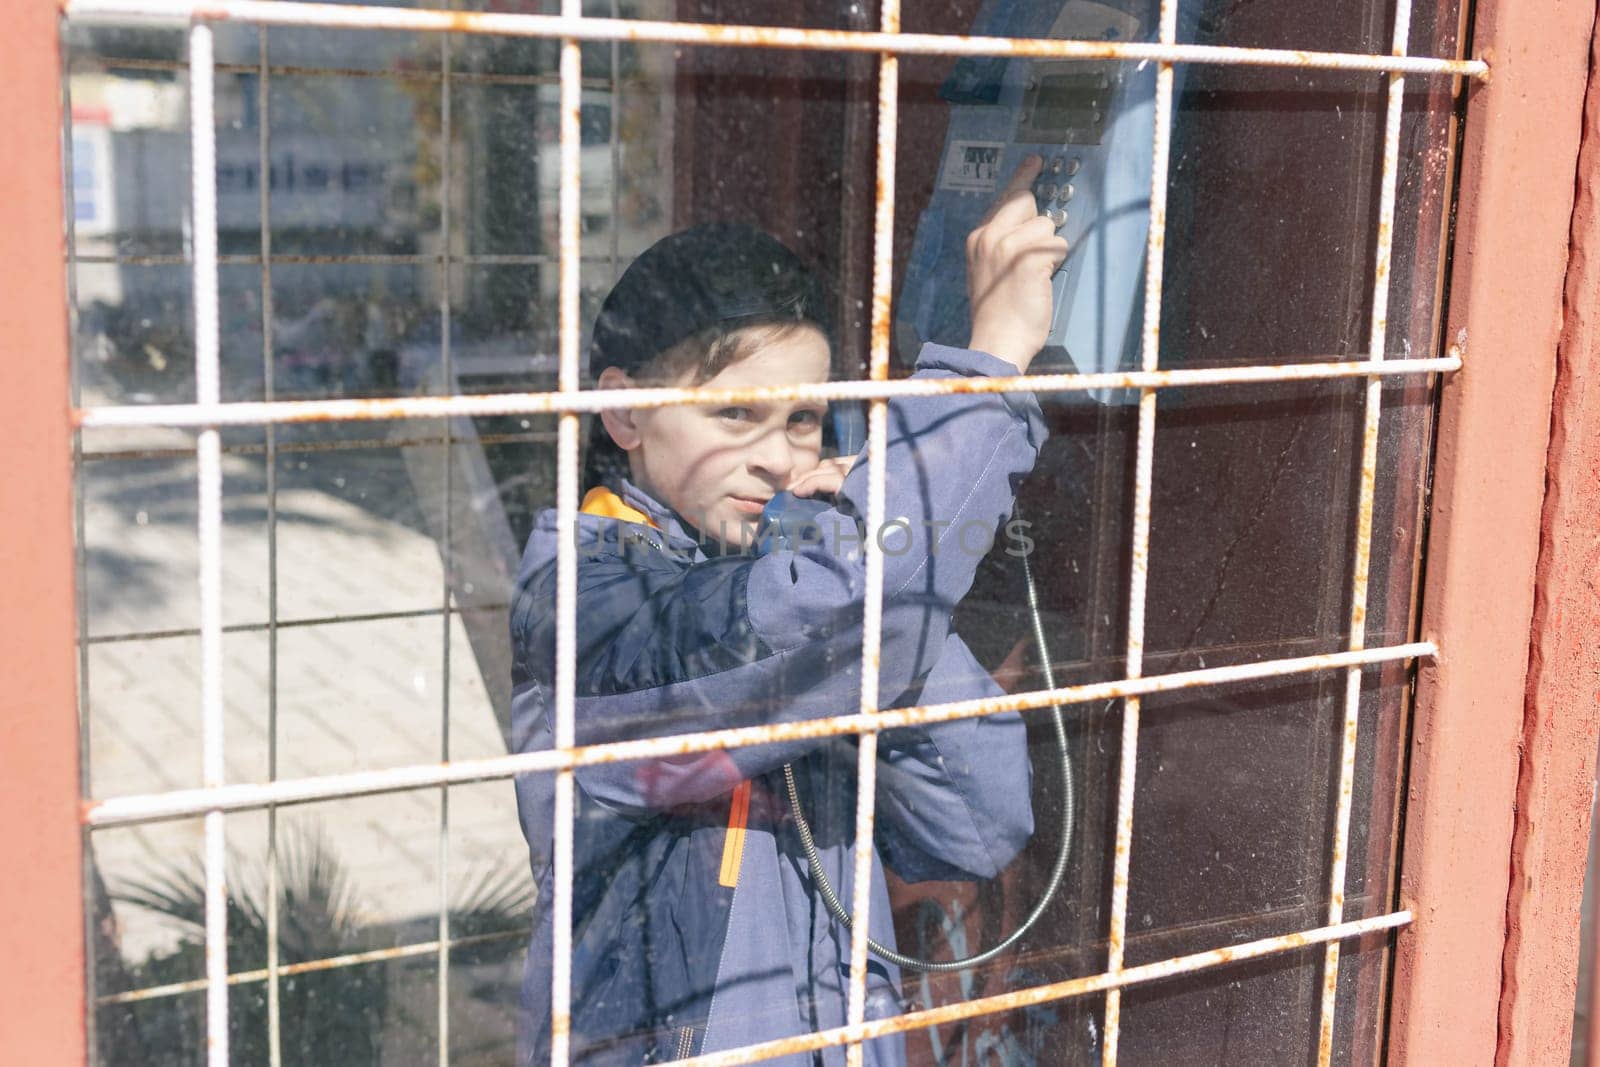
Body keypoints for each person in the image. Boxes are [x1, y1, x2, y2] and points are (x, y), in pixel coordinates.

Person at [511, 156, 1067, 1065]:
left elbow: (978, 819)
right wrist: (984, 374)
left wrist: (858, 552)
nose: (775, 457)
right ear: (624, 412)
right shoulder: (581, 594)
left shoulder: (801, 586)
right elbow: (817, 623)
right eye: (736, 413)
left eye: (804, 421)